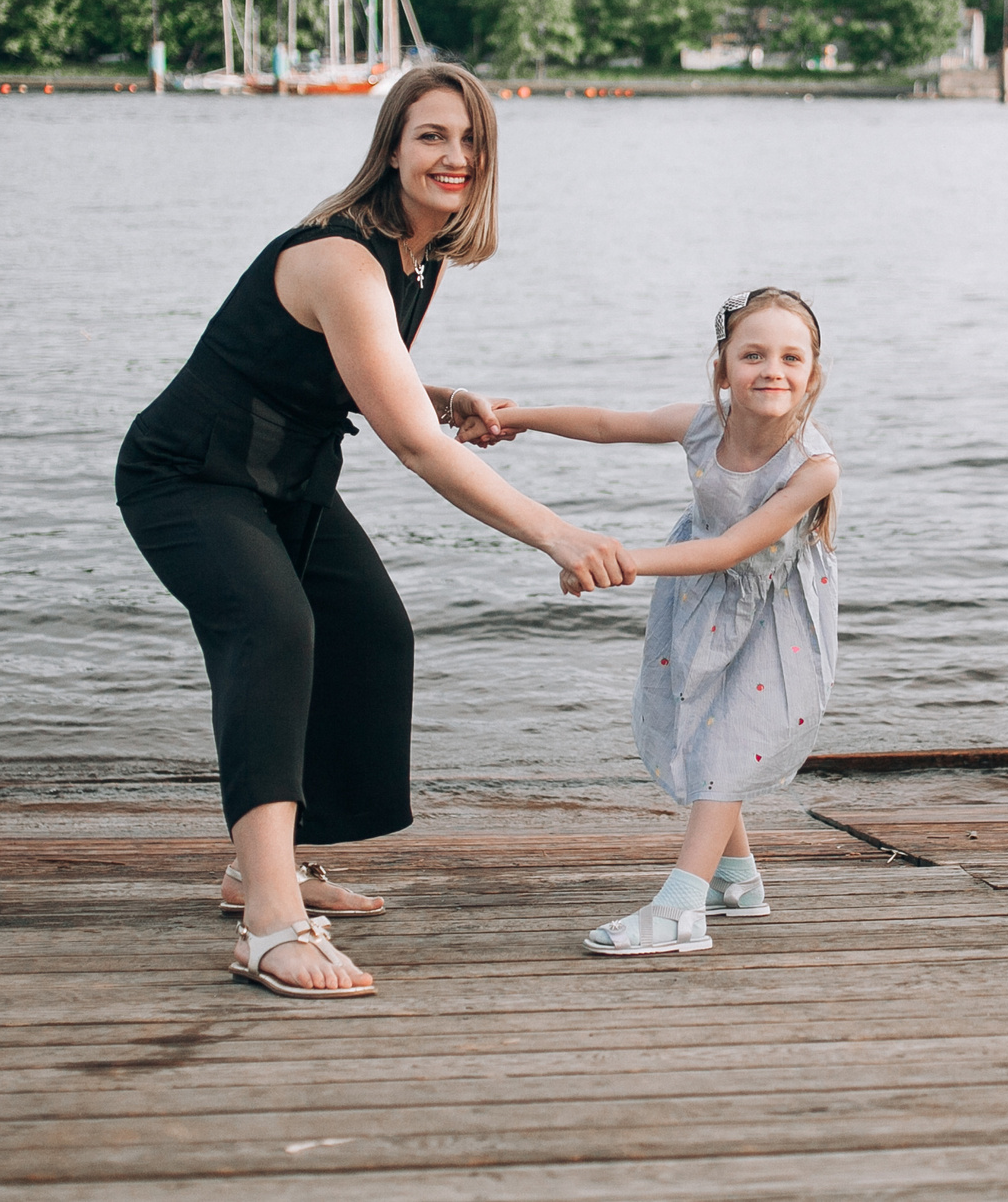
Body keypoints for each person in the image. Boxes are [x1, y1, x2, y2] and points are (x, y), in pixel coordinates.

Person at [115, 63, 632, 999]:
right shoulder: (344, 254)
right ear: (392, 146)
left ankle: (264, 864)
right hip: (190, 476)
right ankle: (271, 924)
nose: (454, 155)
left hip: (289, 477)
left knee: (370, 632)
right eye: (432, 135)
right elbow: (414, 447)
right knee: (273, 630)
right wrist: (554, 532)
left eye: (471, 140)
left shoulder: (419, 257)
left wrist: (443, 393)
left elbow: (362, 368)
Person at [490, 288, 839, 957]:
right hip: (702, 599)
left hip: (773, 614)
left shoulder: (814, 467)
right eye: (754, 354)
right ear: (722, 368)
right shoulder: (706, 424)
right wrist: (520, 417)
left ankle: (680, 909)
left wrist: (616, 560)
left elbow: (732, 547)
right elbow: (606, 423)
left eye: (792, 357)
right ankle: (737, 880)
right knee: (703, 726)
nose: (773, 370)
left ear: (812, 374)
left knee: (729, 741)